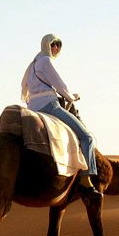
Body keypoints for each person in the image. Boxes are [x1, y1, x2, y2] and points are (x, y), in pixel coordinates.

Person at [21, 33, 100, 195]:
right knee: (87, 137)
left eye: (58, 45)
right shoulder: (45, 61)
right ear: (46, 46)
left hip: (32, 107)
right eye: (53, 44)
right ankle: (86, 178)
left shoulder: (32, 65)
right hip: (49, 106)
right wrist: (71, 97)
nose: (56, 48)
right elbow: (59, 84)